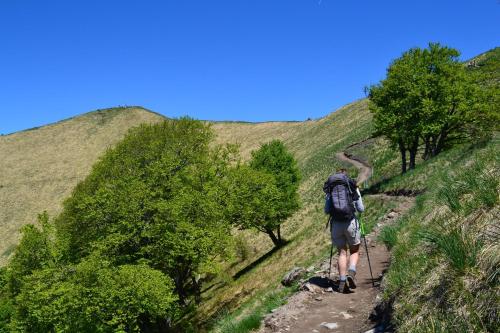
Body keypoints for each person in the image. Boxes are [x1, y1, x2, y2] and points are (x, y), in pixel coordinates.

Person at [323, 168, 364, 293]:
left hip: (336, 224)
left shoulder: (330, 190)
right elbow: (361, 208)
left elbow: (326, 210)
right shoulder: (352, 186)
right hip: (350, 222)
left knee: (341, 252)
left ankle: (341, 280)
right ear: (346, 177)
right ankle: (351, 272)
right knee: (354, 250)